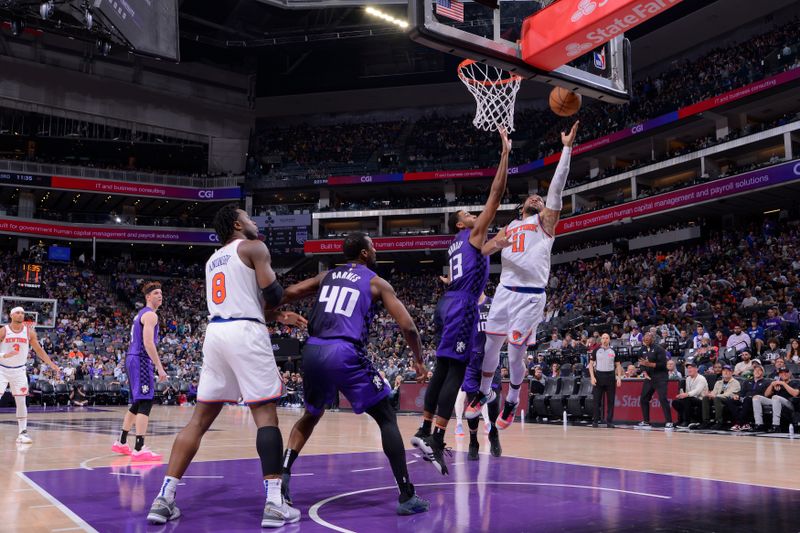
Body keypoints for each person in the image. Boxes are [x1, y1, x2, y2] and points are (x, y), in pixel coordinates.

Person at [147, 204, 307, 527]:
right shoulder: (254, 247)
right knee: (265, 416)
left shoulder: (211, 261)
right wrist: (307, 286)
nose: (253, 221)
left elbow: (245, 298)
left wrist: (274, 314)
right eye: (248, 217)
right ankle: (275, 503)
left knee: (198, 421)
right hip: (245, 332)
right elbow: (274, 294)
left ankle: (164, 498)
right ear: (237, 224)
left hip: (216, 334)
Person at [271, 232, 429, 515]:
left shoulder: (326, 276)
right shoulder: (376, 282)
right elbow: (409, 328)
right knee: (386, 416)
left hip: (312, 350)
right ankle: (407, 495)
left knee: (311, 414)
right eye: (373, 244)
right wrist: (419, 360)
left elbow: (287, 293)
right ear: (365, 253)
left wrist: (275, 314)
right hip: (343, 351)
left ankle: (283, 474)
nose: (376, 247)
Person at [412, 128, 511, 475]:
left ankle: (426, 429)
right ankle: (437, 437)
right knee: (455, 369)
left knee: (442, 367)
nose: (474, 215)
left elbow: (485, 251)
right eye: (469, 214)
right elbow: (496, 195)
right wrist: (504, 155)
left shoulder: (457, 244)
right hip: (463, 305)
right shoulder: (470, 232)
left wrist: (501, 241)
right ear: (460, 222)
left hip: (448, 303)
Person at [469, 121, 580, 430]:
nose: (537, 197)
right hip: (504, 291)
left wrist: (567, 148)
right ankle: (482, 392)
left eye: (540, 199)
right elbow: (484, 250)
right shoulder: (512, 226)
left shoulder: (545, 224)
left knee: (515, 352)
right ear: (521, 208)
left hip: (530, 296)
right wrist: (495, 242)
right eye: (532, 198)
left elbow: (557, 187)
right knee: (491, 347)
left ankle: (514, 397)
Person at [111, 282, 169, 461]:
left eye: (161, 293)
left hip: (133, 358)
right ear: (148, 297)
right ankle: (139, 447)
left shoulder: (140, 315)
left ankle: (121, 442)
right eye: (156, 293)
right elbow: (148, 343)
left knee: (137, 402)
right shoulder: (150, 315)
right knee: (146, 401)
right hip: (140, 359)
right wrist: (160, 367)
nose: (160, 295)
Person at [0, 306, 60, 444]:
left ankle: (22, 433)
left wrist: (51, 364)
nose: (21, 315)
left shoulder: (29, 332)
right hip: (2, 369)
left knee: (21, 401)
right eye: (17, 313)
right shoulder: (4, 331)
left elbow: (39, 350)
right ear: (11, 315)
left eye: (22, 313)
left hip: (19, 371)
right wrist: (5, 355)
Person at [459, 293, 502, 460]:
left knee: (493, 402)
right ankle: (473, 442)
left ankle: (494, 434)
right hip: (471, 362)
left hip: (491, 359)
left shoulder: (494, 304)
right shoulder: (465, 307)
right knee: (472, 405)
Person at [636, 332, 674, 429]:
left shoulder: (659, 349)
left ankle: (669, 422)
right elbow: (641, 364)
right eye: (645, 337)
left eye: (648, 337)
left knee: (662, 399)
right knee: (643, 399)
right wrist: (644, 372)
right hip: (649, 378)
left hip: (660, 377)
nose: (646, 339)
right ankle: (646, 421)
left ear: (652, 339)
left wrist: (649, 364)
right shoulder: (641, 350)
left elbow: (662, 365)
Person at [588, 333, 622, 428]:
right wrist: (592, 377)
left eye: (607, 338)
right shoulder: (596, 350)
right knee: (596, 400)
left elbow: (618, 365)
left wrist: (619, 377)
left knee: (611, 401)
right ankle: (595, 421)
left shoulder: (614, 351)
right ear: (601, 340)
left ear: (609, 339)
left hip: (610, 377)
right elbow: (590, 365)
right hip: (599, 376)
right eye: (603, 338)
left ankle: (609, 421)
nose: (605, 340)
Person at [752, 367, 800, 432]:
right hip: (776, 402)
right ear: (779, 375)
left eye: (786, 372)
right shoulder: (776, 383)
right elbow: (766, 394)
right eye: (781, 373)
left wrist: (783, 383)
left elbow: (795, 394)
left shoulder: (795, 382)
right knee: (756, 397)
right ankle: (759, 424)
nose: (784, 374)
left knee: (775, 397)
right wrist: (771, 385)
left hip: (790, 404)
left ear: (789, 373)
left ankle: (776, 425)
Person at [699, 365, 741, 430]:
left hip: (729, 400)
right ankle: (706, 421)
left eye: (728, 371)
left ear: (732, 373)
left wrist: (715, 396)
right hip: (717, 398)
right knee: (705, 398)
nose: (726, 372)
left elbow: (728, 394)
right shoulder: (718, 382)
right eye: (724, 371)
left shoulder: (735, 383)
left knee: (717, 398)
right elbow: (714, 392)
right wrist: (709, 395)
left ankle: (719, 421)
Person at [672, 361, 708, 428]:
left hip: (701, 400)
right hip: (691, 399)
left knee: (687, 399)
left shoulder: (701, 378)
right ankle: (681, 420)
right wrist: (681, 395)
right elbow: (688, 392)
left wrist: (686, 394)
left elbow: (697, 391)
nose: (689, 369)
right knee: (676, 402)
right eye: (688, 368)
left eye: (691, 368)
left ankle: (687, 421)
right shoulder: (688, 379)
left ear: (696, 369)